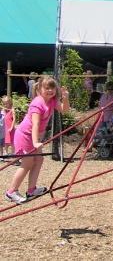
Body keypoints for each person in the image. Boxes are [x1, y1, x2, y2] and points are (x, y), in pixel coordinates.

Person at [6, 76, 70, 204]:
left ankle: (31, 189)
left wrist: (65, 97)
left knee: (39, 160)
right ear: (40, 89)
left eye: (52, 88)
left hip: (35, 137)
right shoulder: (37, 103)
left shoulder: (52, 101)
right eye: (46, 88)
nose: (50, 91)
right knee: (27, 163)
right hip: (25, 135)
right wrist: (35, 142)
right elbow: (35, 124)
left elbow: (64, 110)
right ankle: (11, 191)